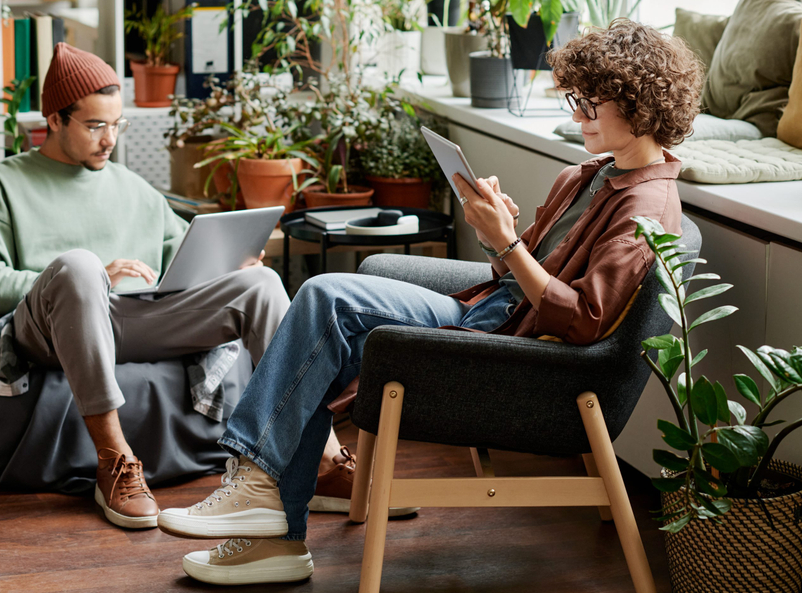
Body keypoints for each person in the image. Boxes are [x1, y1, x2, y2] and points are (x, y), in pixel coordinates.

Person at [155, 18, 704, 585]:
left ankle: (260, 499)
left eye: (589, 103)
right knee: (327, 323)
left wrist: (509, 242)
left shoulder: (646, 209)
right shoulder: (586, 175)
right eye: (574, 99)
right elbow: (520, 275)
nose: (575, 115)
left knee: (326, 302)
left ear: (639, 104)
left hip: (520, 358)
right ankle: (272, 527)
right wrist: (503, 236)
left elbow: (584, 321)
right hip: (492, 313)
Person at [0, 43, 363, 530]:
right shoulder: (3, 183)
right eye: (95, 125)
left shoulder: (132, 187)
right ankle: (114, 461)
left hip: (135, 320)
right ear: (54, 119)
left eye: (117, 124)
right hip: (47, 325)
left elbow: (184, 258)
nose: (110, 139)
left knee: (261, 283)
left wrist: (230, 266)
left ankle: (323, 460)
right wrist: (95, 276)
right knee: (81, 267)